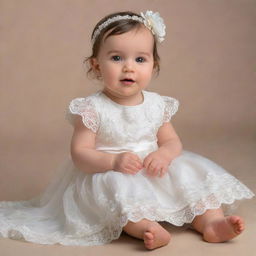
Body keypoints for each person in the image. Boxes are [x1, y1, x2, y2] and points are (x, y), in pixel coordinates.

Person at [0, 10, 254, 250]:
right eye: (116, 58)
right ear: (96, 65)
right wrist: (113, 160)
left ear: (153, 66)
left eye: (140, 59)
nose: (129, 67)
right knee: (121, 198)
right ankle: (148, 228)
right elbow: (80, 153)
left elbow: (172, 142)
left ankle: (211, 222)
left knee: (195, 184)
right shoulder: (91, 108)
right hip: (111, 171)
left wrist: (164, 154)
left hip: (153, 167)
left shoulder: (156, 104)